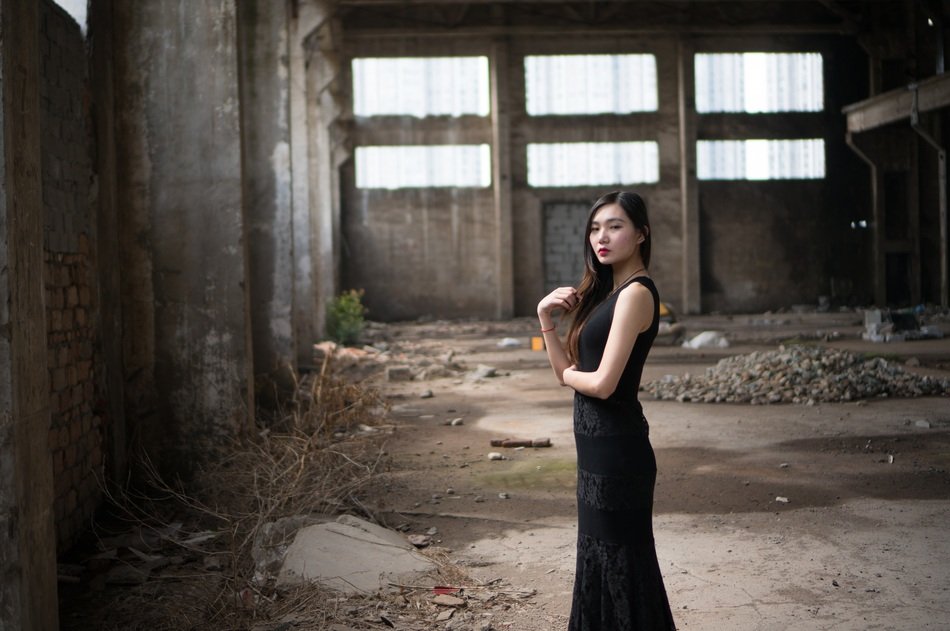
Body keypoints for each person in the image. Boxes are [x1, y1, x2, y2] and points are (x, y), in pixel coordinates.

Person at [537, 191, 676, 630]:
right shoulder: (605, 294)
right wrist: (545, 319)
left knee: (624, 569)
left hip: (619, 455)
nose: (602, 236)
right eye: (595, 228)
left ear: (640, 234)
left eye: (615, 226)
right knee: (596, 561)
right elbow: (566, 371)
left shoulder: (636, 294)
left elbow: (600, 383)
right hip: (595, 454)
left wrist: (574, 378)